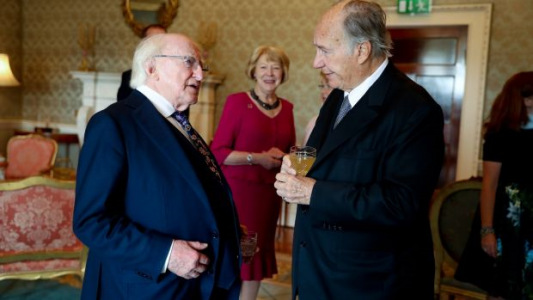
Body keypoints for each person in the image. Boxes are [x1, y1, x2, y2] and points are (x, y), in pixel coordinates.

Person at [273, 1, 444, 299]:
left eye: (325, 51)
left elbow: (401, 204)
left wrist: (312, 191)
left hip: (370, 284)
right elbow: (327, 160)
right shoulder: (339, 94)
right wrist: (297, 167)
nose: (316, 62)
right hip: (320, 272)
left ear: (362, 50)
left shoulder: (416, 110)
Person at [73, 33, 242, 300]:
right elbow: (91, 222)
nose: (200, 74)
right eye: (189, 62)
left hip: (195, 286)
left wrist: (228, 232)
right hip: (145, 287)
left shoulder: (181, 124)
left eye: (201, 66)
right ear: (151, 68)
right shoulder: (113, 124)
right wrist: (167, 254)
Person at [210, 45, 295, 300]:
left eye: (276, 67)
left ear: (283, 73)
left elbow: (288, 148)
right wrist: (258, 158)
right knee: (240, 253)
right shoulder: (237, 102)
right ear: (254, 72)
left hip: (269, 196)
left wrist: (287, 157)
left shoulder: (288, 108)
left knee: (256, 257)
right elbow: (219, 152)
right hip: (241, 195)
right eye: (264, 67)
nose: (270, 73)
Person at [456, 72, 533, 300]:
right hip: (508, 221)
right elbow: (489, 185)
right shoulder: (499, 134)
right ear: (525, 99)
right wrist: (487, 230)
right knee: (502, 286)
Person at [117, 24, 166, 101]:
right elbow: (123, 108)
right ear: (144, 43)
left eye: (161, 39)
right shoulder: (128, 76)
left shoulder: (177, 76)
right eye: (153, 39)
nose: (158, 43)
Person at [302, 72, 333, 146]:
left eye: (329, 86)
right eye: (322, 86)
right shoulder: (313, 122)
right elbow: (304, 154)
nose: (323, 91)